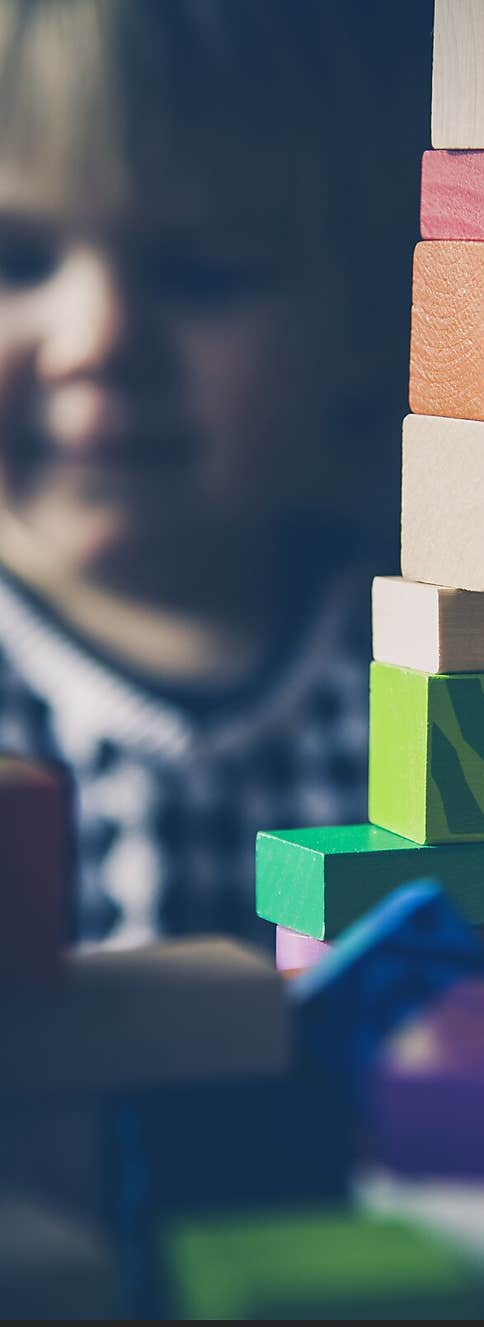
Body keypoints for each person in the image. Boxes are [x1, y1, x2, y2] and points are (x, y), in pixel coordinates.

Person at [0, 0, 411, 949]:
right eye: (17, 261)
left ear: (366, 325)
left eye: (203, 274)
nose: (96, 341)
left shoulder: (430, 678)